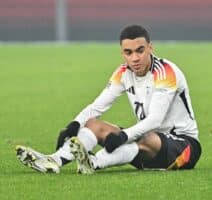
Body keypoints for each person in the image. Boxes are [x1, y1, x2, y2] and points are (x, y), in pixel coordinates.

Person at [16, 25, 202, 174]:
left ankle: (94, 163)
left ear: (150, 48)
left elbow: (155, 120)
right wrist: (74, 124)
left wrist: (123, 136)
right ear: (122, 53)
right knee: (93, 124)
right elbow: (97, 106)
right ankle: (54, 160)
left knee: (145, 136)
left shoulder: (165, 72)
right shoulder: (123, 73)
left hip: (184, 148)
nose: (135, 58)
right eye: (128, 53)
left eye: (140, 51)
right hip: (145, 148)